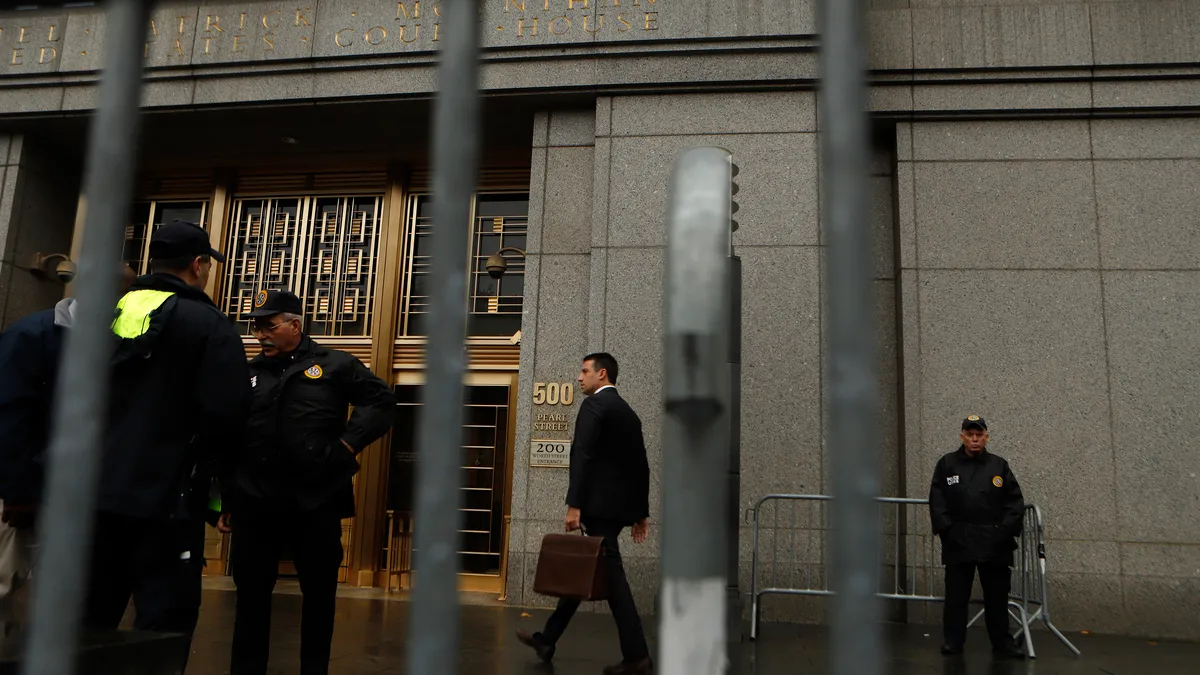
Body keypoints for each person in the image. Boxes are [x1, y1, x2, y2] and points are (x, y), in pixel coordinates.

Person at [83, 221, 252, 656]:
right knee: (163, 622)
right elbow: (226, 417)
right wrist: (226, 497)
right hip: (168, 499)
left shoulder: (107, 314)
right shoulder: (209, 325)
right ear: (198, 265)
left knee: (87, 618)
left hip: (93, 496)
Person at [223, 290, 395, 675]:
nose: (259, 335)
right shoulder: (248, 372)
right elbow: (231, 438)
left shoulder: (334, 365)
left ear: (295, 325)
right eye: (255, 327)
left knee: (319, 600)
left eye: (269, 326)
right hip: (256, 504)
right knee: (250, 600)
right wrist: (226, 502)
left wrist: (349, 443)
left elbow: (381, 401)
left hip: (315, 502)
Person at [0, 262, 137, 639]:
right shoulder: (34, 334)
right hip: (26, 495)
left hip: (84, 496)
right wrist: (19, 490)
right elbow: (11, 415)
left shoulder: (121, 341)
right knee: (5, 583)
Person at [516, 353, 653, 675]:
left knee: (615, 582)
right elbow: (640, 466)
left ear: (601, 374)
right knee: (587, 567)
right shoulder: (628, 412)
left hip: (599, 508)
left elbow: (582, 454)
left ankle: (638, 657)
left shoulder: (594, 406)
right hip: (618, 509)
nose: (578, 378)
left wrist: (574, 504)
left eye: (583, 371)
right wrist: (640, 513)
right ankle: (548, 639)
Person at [929, 415, 1025, 660]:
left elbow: (1014, 503)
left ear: (986, 437)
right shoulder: (946, 465)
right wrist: (948, 531)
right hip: (959, 541)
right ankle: (953, 641)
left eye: (979, 435)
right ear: (961, 435)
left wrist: (1002, 532)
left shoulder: (999, 466)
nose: (974, 439)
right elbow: (937, 501)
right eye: (970, 434)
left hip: (995, 543)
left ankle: (1002, 642)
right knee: (956, 598)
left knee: (997, 598)